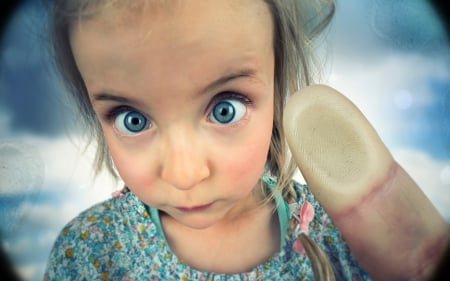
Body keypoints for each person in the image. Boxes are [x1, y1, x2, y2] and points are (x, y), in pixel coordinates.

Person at [44, 0, 449, 280]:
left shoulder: (345, 240)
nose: (185, 175)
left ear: (278, 84)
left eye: (225, 109)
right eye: (133, 120)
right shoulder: (88, 251)